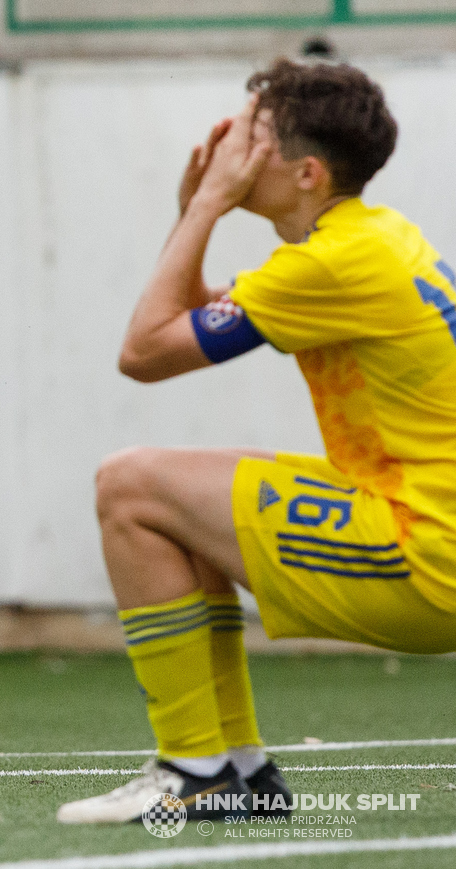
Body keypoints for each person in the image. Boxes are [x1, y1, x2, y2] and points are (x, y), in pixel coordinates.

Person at [57, 58, 456, 824]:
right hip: (420, 524)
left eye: (255, 137)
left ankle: (193, 773)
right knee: (180, 509)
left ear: (306, 172)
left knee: (129, 486)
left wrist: (205, 207)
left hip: (424, 554)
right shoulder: (364, 239)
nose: (234, 148)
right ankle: (239, 770)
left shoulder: (335, 262)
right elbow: (199, 313)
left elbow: (143, 353)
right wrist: (194, 213)